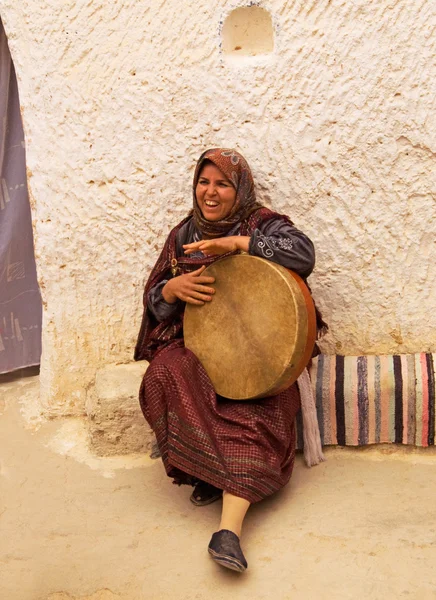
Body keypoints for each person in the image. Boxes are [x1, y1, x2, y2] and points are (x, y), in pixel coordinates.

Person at [135, 148, 323, 573]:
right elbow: (154, 300)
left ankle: (228, 532)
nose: (211, 192)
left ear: (240, 189)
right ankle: (211, 474)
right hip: (200, 355)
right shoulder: (182, 236)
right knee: (165, 374)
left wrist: (239, 243)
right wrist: (170, 291)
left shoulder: (262, 223)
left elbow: (303, 255)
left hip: (263, 366)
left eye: (222, 183)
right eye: (204, 182)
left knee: (260, 413)